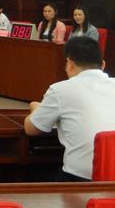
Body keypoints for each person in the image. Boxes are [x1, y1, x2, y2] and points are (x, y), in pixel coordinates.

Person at [24, 36, 115, 181]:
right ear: (103, 65)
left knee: (32, 175)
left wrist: (35, 107)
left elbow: (31, 129)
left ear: (70, 64)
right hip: (110, 180)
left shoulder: (60, 90)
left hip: (82, 180)